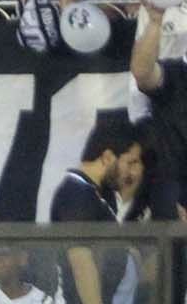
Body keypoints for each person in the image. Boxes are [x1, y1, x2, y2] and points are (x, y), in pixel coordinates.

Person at [47, 118, 143, 304]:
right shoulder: (76, 193)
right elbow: (80, 261)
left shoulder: (94, 195)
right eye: (129, 163)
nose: (132, 173)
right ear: (107, 157)